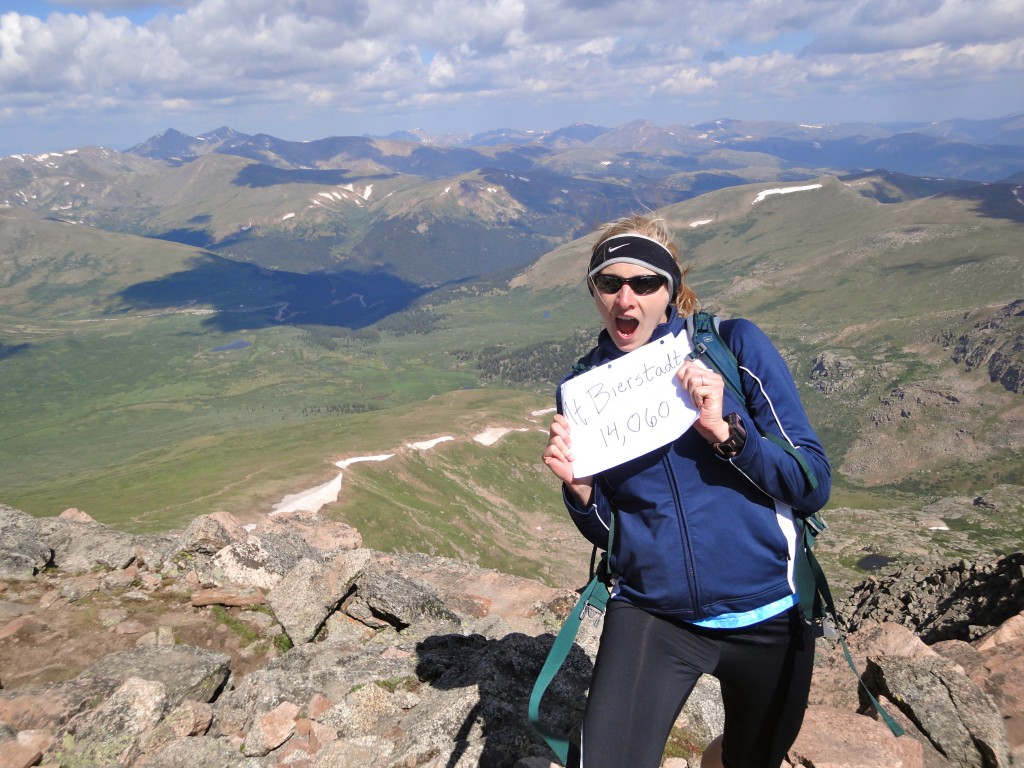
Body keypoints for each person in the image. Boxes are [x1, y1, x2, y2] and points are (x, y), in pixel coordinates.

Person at [541, 213, 831, 768]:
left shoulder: (734, 346)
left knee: (751, 759)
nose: (625, 300)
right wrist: (581, 494)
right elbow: (614, 532)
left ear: (671, 289)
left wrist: (728, 433)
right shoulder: (583, 392)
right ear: (594, 291)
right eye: (609, 283)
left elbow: (811, 483)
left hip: (768, 610)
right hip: (654, 615)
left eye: (644, 283)